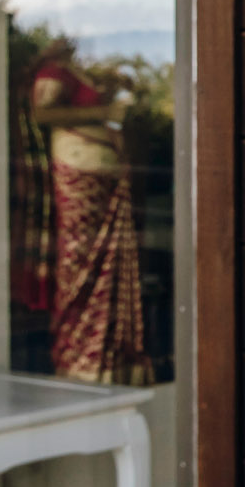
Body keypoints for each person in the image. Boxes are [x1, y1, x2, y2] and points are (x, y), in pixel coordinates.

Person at [19, 39, 152, 385]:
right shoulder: (52, 74)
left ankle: (107, 360)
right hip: (79, 179)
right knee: (81, 264)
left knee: (101, 267)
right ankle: (81, 359)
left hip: (101, 179)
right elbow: (43, 113)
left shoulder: (73, 72)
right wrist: (104, 113)